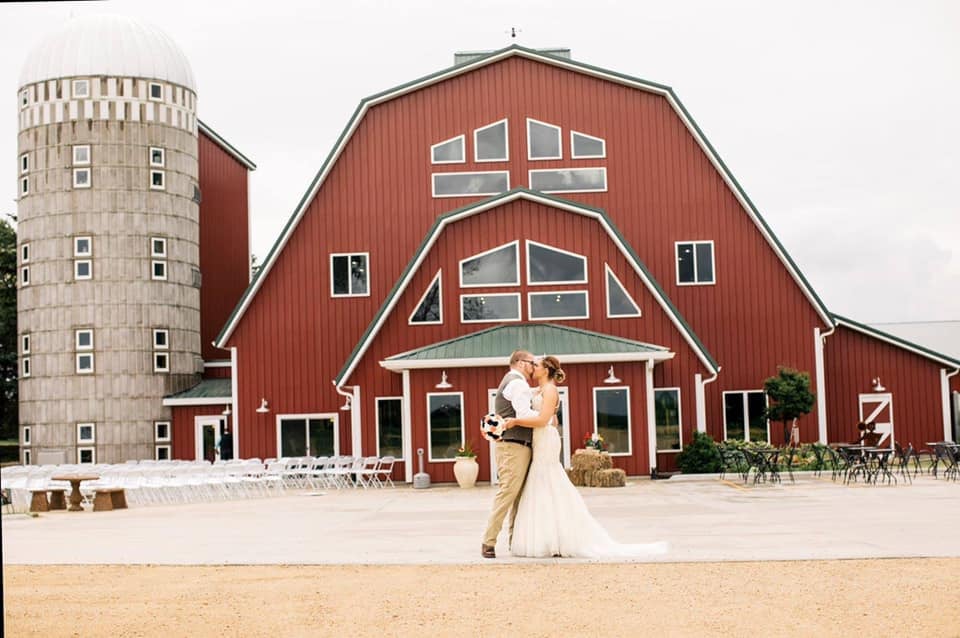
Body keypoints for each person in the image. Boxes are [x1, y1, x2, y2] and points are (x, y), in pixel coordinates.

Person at [504, 355, 667, 559]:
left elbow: (544, 419)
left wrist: (515, 422)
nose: (532, 368)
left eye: (536, 365)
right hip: (539, 438)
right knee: (540, 482)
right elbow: (537, 408)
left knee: (547, 479)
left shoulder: (550, 390)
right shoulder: (539, 389)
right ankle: (547, 536)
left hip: (546, 439)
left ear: (545, 370)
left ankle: (557, 537)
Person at [481, 349, 538, 559]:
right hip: (513, 446)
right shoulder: (517, 383)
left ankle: (514, 541)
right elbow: (524, 413)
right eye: (532, 363)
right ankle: (488, 541)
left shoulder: (515, 383)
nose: (534, 367)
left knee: (517, 496)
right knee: (508, 492)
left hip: (516, 445)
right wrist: (546, 417)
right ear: (521, 363)